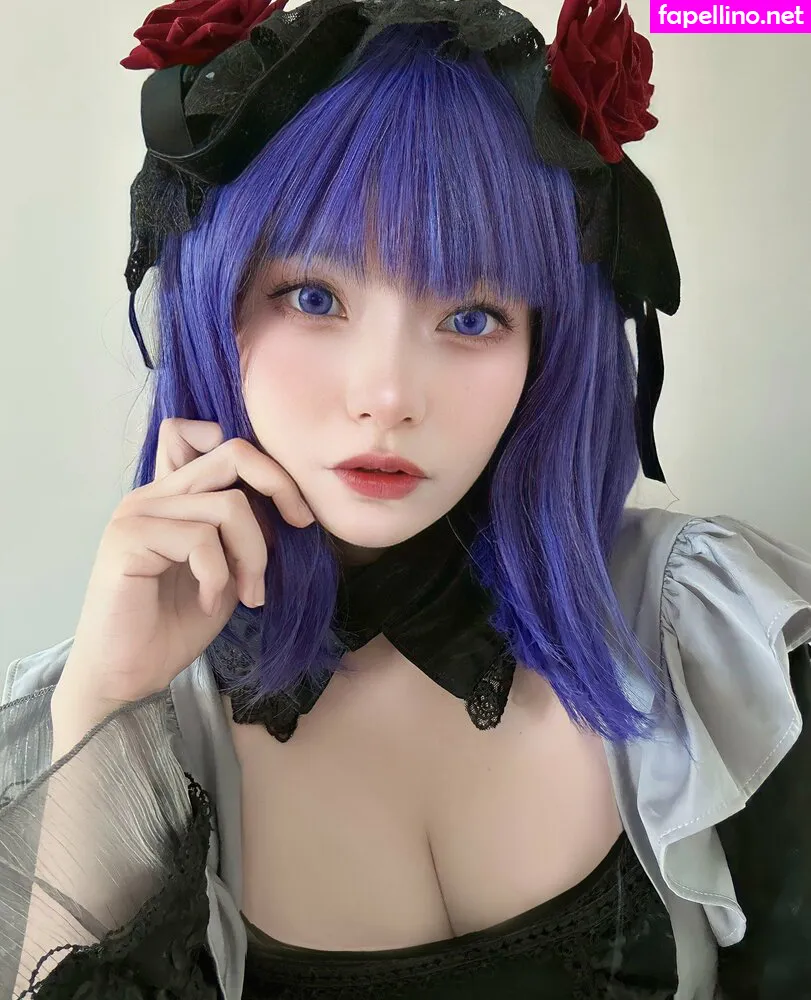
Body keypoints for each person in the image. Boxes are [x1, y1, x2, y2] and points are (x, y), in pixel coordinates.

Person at [1, 0, 810, 997]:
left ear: (544, 349)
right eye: (312, 297)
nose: (386, 396)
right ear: (213, 303)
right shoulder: (128, 708)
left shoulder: (707, 631)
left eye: (471, 316)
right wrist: (108, 703)